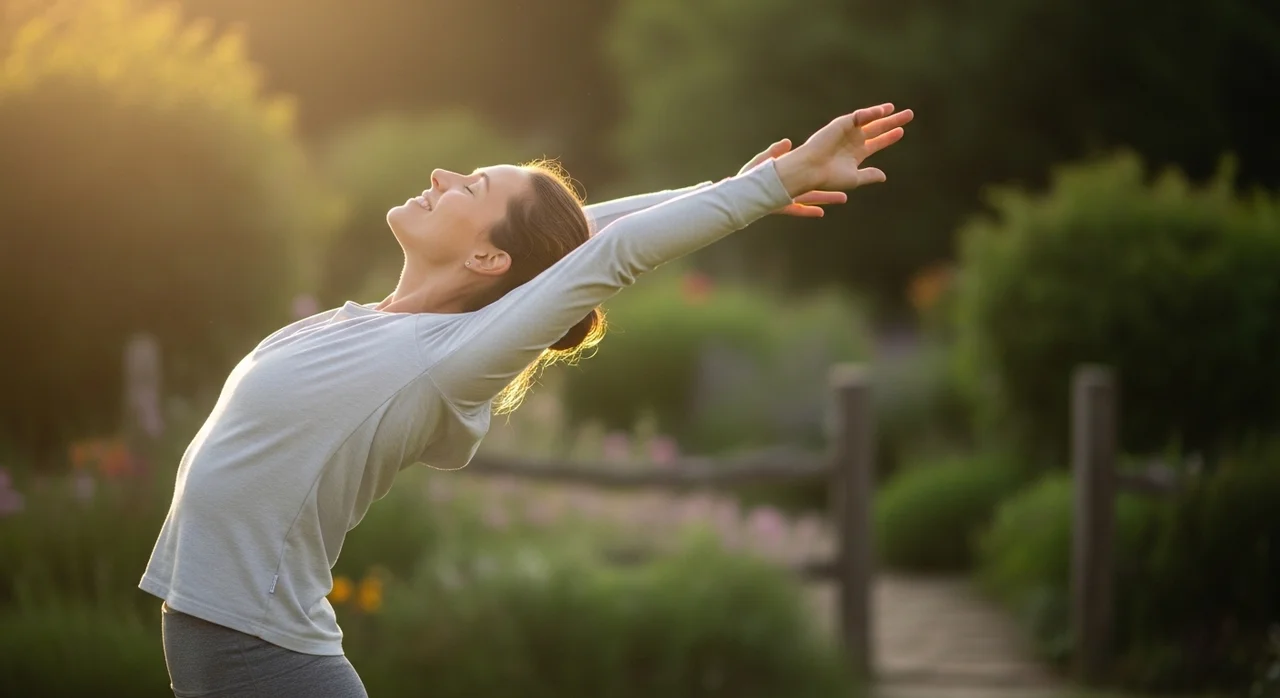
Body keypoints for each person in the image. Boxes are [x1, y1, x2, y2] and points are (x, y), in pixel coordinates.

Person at [141, 102, 914, 697]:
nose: (442, 175)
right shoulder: (371, 325)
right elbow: (591, 231)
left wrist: (765, 188)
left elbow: (606, 254)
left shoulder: (442, 362)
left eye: (471, 187)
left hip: (267, 658)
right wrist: (729, 191)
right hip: (227, 645)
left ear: (487, 255)